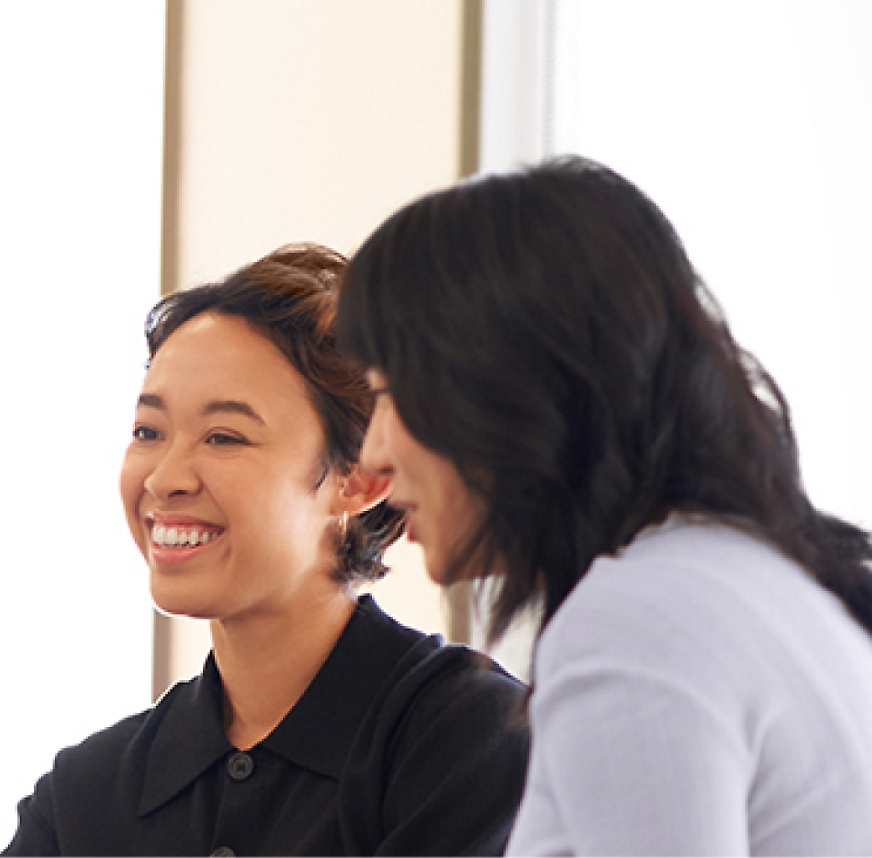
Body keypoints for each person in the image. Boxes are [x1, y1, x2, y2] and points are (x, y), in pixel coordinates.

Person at [338, 156, 872, 855]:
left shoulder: (635, 621)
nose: (373, 455)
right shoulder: (759, 578)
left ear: (508, 386)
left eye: (388, 395)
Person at [1, 244, 530, 856]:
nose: (164, 478)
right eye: (149, 431)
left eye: (224, 436)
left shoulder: (471, 739)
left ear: (359, 479)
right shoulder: (85, 794)